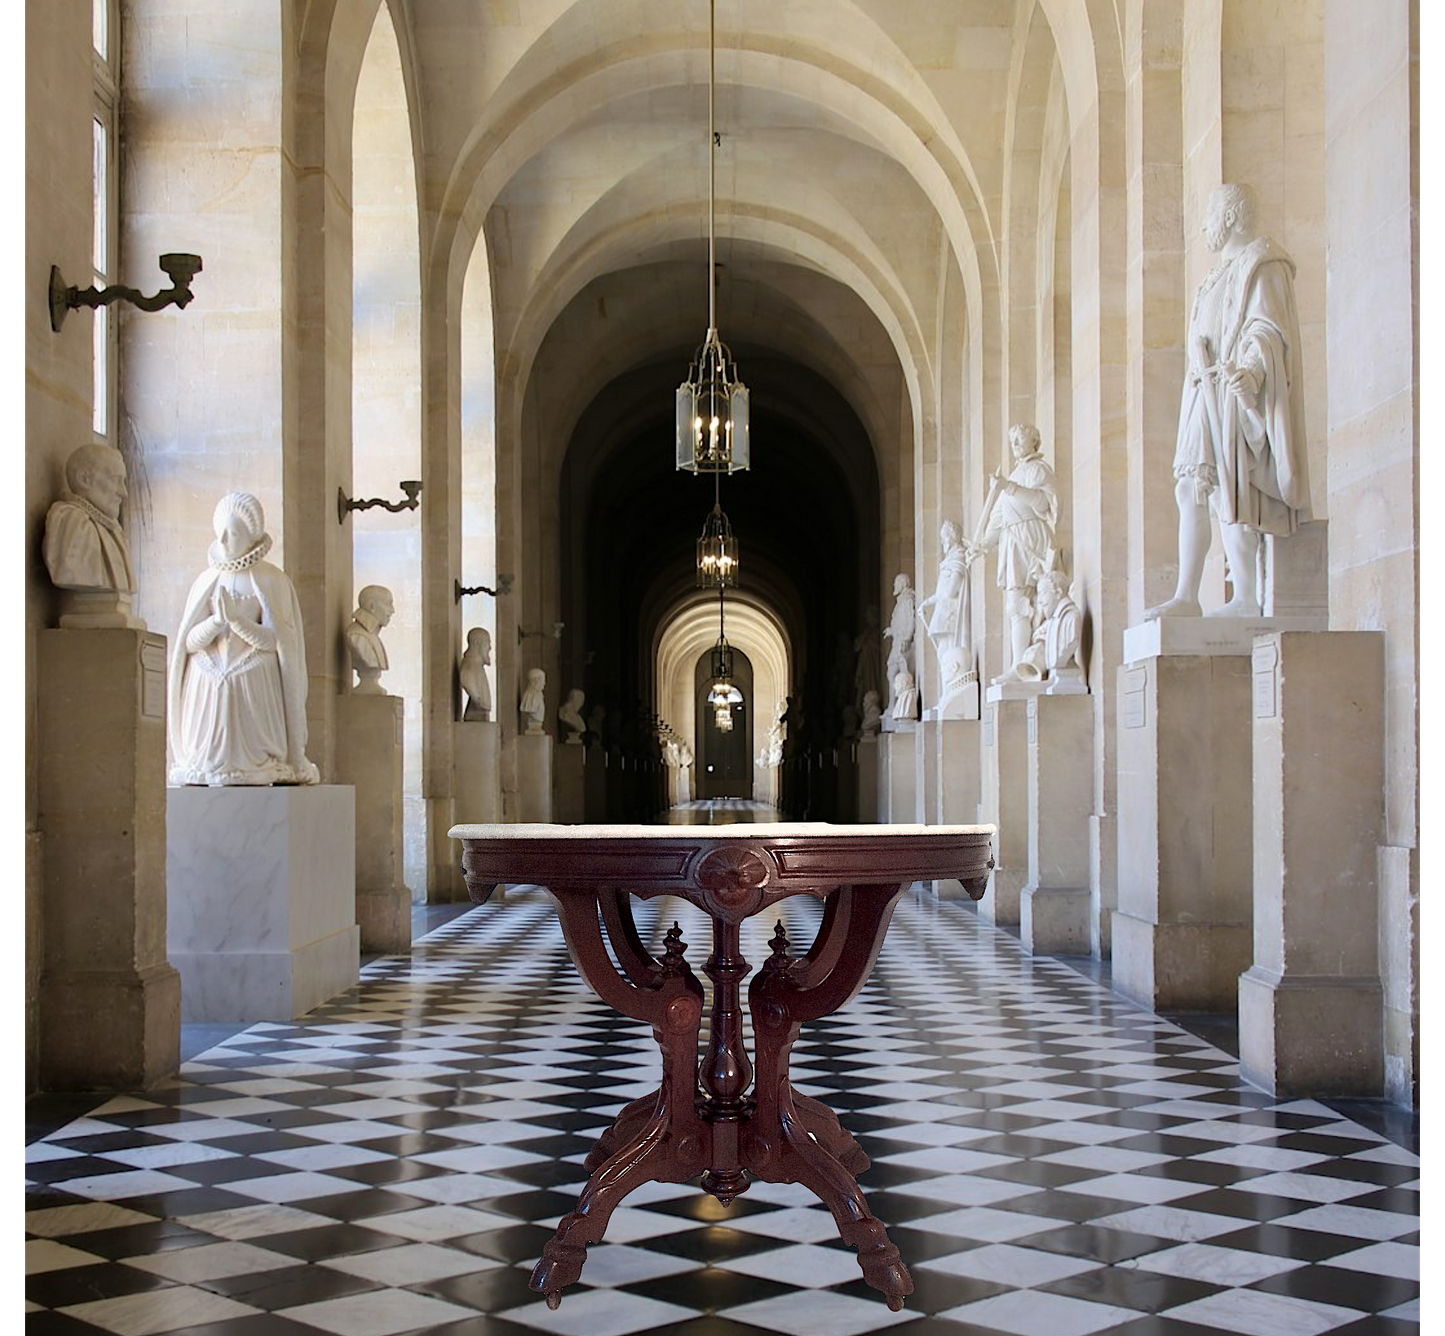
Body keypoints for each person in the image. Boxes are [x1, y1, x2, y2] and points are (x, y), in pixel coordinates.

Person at [1149, 183, 1310, 618]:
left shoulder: (1262, 265)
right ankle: (1187, 595)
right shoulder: (1212, 278)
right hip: (1203, 389)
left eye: (1209, 215)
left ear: (1230, 216)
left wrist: (1253, 373)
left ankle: (1244, 596)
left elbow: (1268, 330)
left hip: (1234, 391)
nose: (1202, 225)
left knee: (1230, 487)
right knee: (1190, 486)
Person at [169, 492, 319, 786]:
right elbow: (189, 643)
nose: (224, 540)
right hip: (209, 676)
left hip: (253, 676)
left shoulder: (271, 580)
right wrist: (216, 621)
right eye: (220, 532)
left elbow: (277, 643)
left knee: (250, 672)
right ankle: (205, 760)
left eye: (233, 533)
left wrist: (238, 622)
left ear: (251, 536)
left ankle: (262, 760)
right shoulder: (205, 580)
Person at [965, 423, 1058, 673]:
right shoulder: (1013, 476)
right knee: (1015, 606)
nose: (1015, 444)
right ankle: (1018, 665)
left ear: (1034, 442)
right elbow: (998, 516)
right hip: (1012, 540)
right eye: (1012, 440)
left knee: (1041, 600)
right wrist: (983, 544)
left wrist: (1009, 487)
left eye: (1020, 439)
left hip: (1032, 537)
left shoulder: (1038, 470)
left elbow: (1042, 503)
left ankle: (1038, 657)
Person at [42, 443, 137, 598]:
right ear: (84, 479)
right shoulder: (72, 523)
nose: (123, 492)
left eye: (123, 482)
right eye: (116, 480)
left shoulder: (115, 531)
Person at [994, 564, 1083, 687]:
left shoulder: (1071, 618)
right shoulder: (1051, 623)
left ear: (1058, 593)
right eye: (1039, 595)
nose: (1040, 601)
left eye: (1043, 594)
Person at [917, 520, 975, 699]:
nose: (943, 542)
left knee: (949, 655)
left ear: (951, 537)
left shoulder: (958, 557)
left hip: (950, 615)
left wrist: (940, 597)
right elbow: (940, 592)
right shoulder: (949, 560)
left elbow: (951, 590)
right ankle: (947, 693)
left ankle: (950, 692)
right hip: (943, 612)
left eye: (944, 538)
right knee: (943, 654)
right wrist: (926, 603)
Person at [346, 585, 393, 694]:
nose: (392, 610)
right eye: (388, 604)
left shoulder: (372, 636)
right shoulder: (357, 636)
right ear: (372, 606)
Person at [881, 574, 916, 719]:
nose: (894, 586)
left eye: (896, 583)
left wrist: (907, 638)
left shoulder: (907, 601)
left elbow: (910, 621)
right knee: (892, 673)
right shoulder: (901, 601)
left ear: (902, 584)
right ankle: (893, 705)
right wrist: (892, 630)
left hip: (903, 643)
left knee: (903, 674)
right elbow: (900, 623)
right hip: (897, 641)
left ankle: (904, 705)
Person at [459, 628, 492, 721]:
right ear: (477, 643)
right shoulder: (469, 668)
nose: (490, 647)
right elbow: (469, 685)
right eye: (488, 642)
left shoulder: (477, 668)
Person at [520, 668, 547, 734]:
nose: (544, 683)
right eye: (543, 680)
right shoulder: (529, 696)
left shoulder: (539, 695)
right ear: (536, 681)